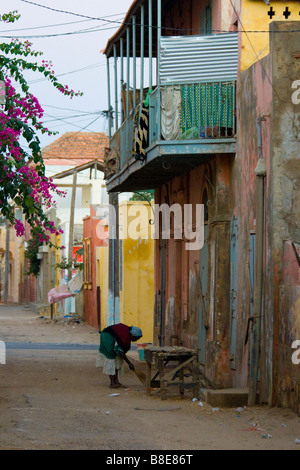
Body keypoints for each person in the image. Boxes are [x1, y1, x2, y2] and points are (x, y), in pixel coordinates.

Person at [96, 323, 142, 388]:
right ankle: (112, 383)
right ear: (132, 335)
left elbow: (121, 350)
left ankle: (116, 381)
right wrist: (129, 363)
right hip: (107, 337)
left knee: (117, 360)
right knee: (111, 358)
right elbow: (120, 351)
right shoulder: (125, 336)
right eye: (136, 338)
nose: (136, 340)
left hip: (113, 337)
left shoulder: (127, 334)